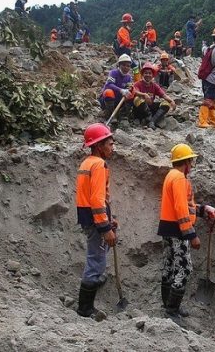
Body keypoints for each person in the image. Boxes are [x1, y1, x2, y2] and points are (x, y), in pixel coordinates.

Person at [159, 144, 215, 317]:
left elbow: (184, 206)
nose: (192, 165)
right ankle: (171, 309)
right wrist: (191, 234)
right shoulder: (179, 178)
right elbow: (180, 208)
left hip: (168, 227)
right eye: (191, 161)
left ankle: (167, 306)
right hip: (178, 230)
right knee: (184, 268)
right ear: (185, 162)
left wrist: (203, 209)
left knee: (169, 265)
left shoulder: (172, 176)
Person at [75, 123, 116, 320]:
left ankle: (92, 286)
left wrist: (109, 220)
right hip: (95, 219)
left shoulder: (87, 162)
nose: (113, 146)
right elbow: (97, 200)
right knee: (96, 261)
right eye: (109, 143)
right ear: (99, 145)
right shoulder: (99, 165)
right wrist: (105, 227)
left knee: (97, 255)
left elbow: (95, 197)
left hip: (87, 217)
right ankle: (85, 308)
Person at [132, 62, 177, 129]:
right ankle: (148, 118)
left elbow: (164, 95)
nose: (148, 75)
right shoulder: (138, 84)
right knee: (137, 99)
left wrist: (171, 101)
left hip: (149, 107)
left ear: (152, 75)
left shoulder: (154, 85)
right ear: (142, 74)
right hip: (139, 110)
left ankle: (152, 121)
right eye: (146, 73)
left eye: (150, 73)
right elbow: (134, 91)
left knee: (166, 103)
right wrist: (144, 95)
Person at [99, 54, 134, 122]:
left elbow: (129, 88)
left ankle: (123, 115)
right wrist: (120, 90)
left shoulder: (128, 77)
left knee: (131, 94)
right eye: (123, 65)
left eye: (128, 66)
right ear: (119, 65)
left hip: (119, 101)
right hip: (107, 100)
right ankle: (110, 114)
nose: (126, 67)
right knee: (108, 92)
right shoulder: (113, 73)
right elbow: (109, 85)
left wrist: (129, 89)